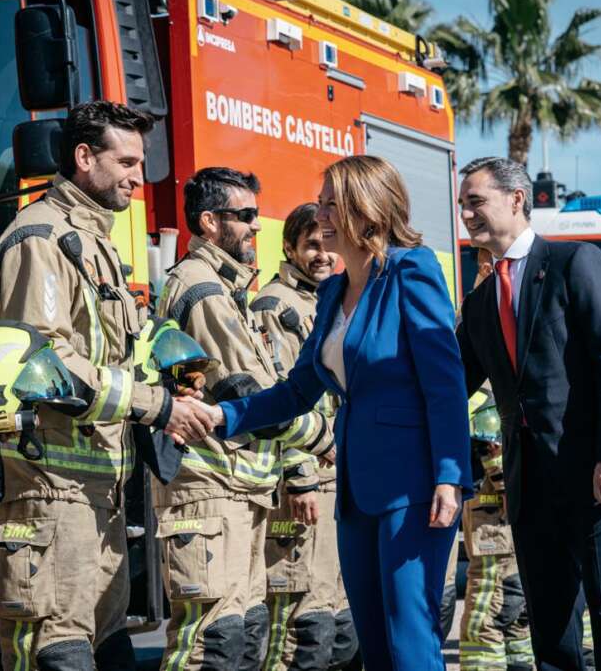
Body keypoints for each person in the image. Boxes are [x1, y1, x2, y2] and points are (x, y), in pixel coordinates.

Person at [206, 155, 473, 670]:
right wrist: (222, 416)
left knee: (409, 639)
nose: (320, 213)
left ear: (367, 209)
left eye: (332, 203)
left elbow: (445, 382)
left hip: (413, 487)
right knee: (372, 642)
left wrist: (450, 475)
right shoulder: (331, 290)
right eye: (322, 202)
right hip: (355, 491)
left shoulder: (411, 270)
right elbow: (297, 390)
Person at [0, 100, 213, 670]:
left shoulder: (95, 241)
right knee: (58, 654)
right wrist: (154, 406)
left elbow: (118, 350)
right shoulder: (42, 238)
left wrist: (174, 375)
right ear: (84, 157)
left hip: (98, 491)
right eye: (128, 160)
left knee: (108, 653)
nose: (140, 175)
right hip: (49, 489)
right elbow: (45, 356)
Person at [456, 156, 601, 671]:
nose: (467, 214)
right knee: (550, 617)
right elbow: (450, 381)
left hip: (599, 473)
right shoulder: (480, 303)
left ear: (516, 199)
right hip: (532, 482)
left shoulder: (576, 263)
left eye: (476, 201)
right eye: (462, 205)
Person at [154, 168, 334, 670]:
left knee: (244, 638)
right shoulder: (204, 290)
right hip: (208, 489)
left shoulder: (226, 289)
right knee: (212, 648)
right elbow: (250, 396)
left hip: (238, 489)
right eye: (247, 216)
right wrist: (324, 437)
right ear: (210, 222)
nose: (258, 227)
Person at [249, 202, 359, 670]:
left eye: (325, 243)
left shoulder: (328, 298)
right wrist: (300, 477)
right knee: (298, 626)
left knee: (334, 623)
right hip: (303, 484)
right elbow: (283, 397)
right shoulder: (276, 305)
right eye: (310, 244)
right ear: (289, 246)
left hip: (336, 476)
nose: (321, 254)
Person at [461, 390, 536, 671]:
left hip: (493, 525)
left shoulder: (479, 398)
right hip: (505, 524)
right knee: (516, 618)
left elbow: (491, 441)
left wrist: (505, 486)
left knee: (485, 616)